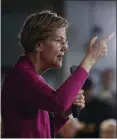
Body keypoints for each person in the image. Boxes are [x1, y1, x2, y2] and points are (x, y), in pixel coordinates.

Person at [1, 10, 114, 138]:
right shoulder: (22, 76)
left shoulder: (34, 77)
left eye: (65, 42)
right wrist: (90, 58)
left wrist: (66, 113)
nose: (65, 48)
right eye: (59, 41)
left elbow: (47, 130)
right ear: (39, 45)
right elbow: (58, 102)